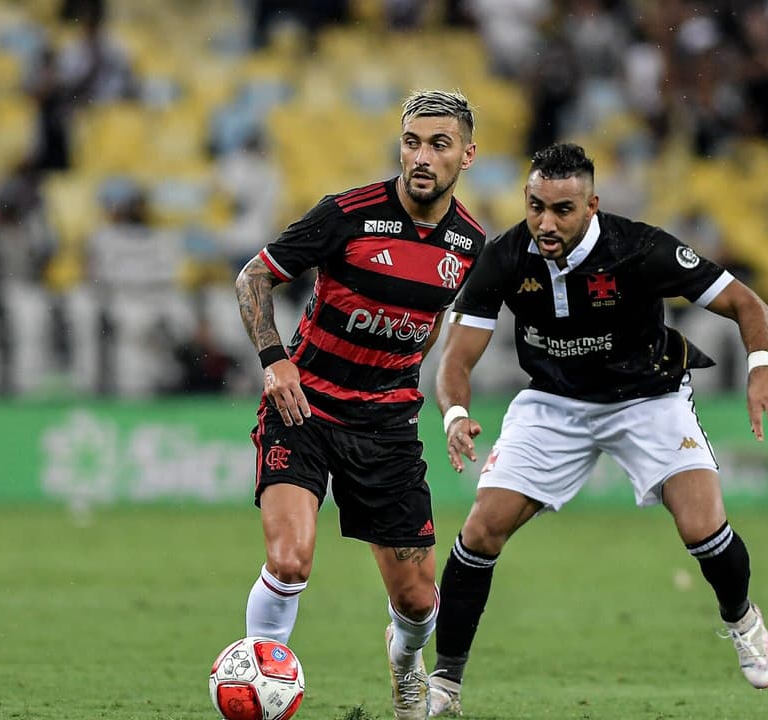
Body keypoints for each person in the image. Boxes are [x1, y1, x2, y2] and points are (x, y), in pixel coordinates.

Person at [426, 142, 768, 717]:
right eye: (535, 206)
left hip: (646, 396)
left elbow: (749, 305)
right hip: (554, 403)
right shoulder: (504, 256)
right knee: (480, 532)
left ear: (592, 205)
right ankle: (445, 686)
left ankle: (742, 618)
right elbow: (454, 360)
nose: (545, 223)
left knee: (703, 528)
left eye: (562, 210)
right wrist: (454, 414)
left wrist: (762, 369)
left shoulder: (642, 250)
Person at [233, 90, 487, 720]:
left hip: (387, 426)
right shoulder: (346, 214)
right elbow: (253, 277)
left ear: (468, 155)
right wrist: (274, 360)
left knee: (420, 601)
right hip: (305, 409)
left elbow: (433, 333)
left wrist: (449, 410)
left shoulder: (470, 247)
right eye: (412, 142)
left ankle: (406, 669)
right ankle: (259, 689)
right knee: (289, 559)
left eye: (438, 144)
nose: (421, 156)